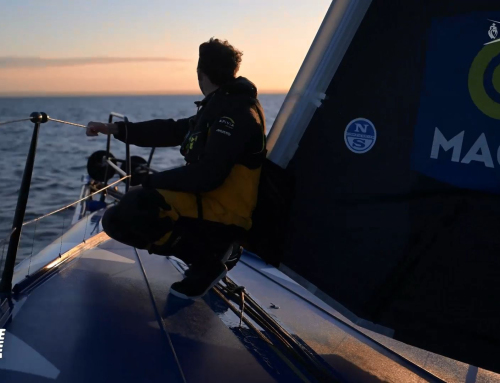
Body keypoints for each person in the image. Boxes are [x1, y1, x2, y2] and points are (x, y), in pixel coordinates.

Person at [86, 38, 266, 299]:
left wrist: (149, 182)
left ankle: (208, 260)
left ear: (200, 73)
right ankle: (211, 251)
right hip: (211, 202)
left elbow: (208, 175)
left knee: (134, 208)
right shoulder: (225, 105)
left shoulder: (234, 113)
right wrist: (113, 129)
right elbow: (172, 129)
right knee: (118, 216)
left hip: (226, 211)